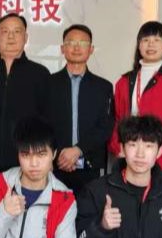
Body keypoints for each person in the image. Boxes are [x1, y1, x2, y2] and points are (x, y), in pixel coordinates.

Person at [0, 13, 51, 197]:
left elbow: (48, 120)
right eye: (5, 32)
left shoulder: (40, 74)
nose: (11, 37)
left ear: (25, 37)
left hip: (26, 163)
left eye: (17, 31)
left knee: (23, 212)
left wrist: (46, 158)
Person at [110, 21, 162, 187]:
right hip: (130, 162)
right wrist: (118, 147)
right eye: (145, 40)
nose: (151, 44)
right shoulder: (124, 82)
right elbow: (116, 120)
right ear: (139, 46)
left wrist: (154, 150)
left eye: (157, 40)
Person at [46, 24, 114, 197]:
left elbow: (105, 126)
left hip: (90, 167)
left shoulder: (103, 87)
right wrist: (60, 156)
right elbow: (43, 124)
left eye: (83, 43)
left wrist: (78, 150)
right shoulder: (48, 84)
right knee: (55, 212)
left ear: (91, 49)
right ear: (62, 48)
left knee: (89, 212)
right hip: (55, 166)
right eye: (71, 42)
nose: (76, 47)